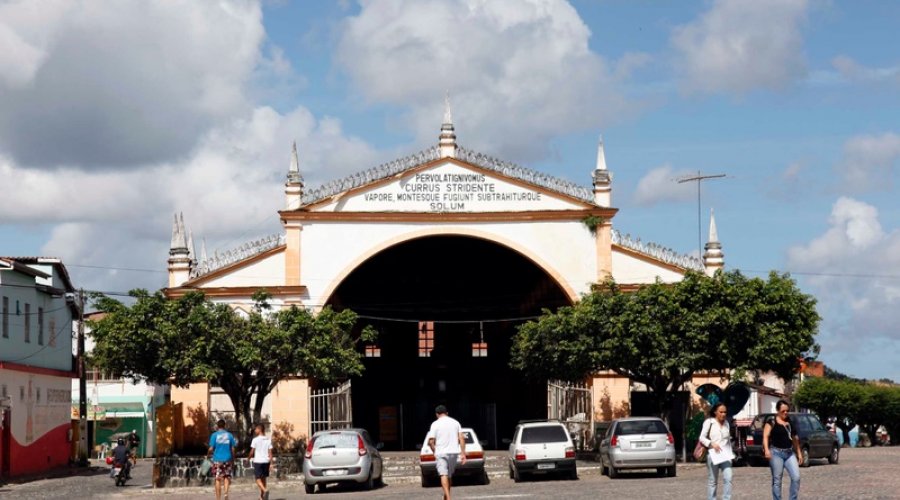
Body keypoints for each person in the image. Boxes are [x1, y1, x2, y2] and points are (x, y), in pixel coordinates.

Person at [763, 400, 802, 500]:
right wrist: (766, 450)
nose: (785, 413)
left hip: (789, 453)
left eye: (787, 411)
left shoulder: (789, 422)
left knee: (796, 477)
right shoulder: (771, 421)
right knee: (777, 480)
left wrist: (799, 453)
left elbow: (795, 438)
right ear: (777, 410)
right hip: (776, 453)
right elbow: (765, 436)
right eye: (783, 411)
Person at [428, 405, 466, 500]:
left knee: (443, 474)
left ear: (437, 414)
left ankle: (448, 498)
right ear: (447, 413)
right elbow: (461, 438)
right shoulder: (456, 423)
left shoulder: (435, 424)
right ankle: (445, 497)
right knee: (449, 476)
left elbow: (431, 441)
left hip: (441, 452)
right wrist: (463, 453)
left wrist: (434, 451)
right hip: (453, 452)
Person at [699, 402, 733, 500]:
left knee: (728, 478)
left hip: (725, 455)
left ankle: (726, 498)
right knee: (713, 480)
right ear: (715, 412)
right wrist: (711, 443)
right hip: (713, 455)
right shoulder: (709, 422)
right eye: (721, 412)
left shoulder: (727, 423)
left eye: (725, 412)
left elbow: (728, 440)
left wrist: (731, 454)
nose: (723, 414)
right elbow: (701, 437)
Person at [207, 419, 237, 500]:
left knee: (218, 479)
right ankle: (226, 493)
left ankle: (218, 498)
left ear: (217, 426)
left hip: (217, 460)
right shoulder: (230, 435)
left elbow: (211, 448)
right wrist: (233, 459)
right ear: (225, 426)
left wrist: (207, 455)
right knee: (226, 477)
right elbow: (233, 449)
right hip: (228, 459)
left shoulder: (214, 435)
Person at [249, 423, 273, 500]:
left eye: (256, 429)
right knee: (263, 479)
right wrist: (271, 463)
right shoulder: (268, 439)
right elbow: (270, 453)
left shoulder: (255, 440)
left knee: (257, 479)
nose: (255, 430)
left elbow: (252, 451)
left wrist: (248, 458)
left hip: (258, 461)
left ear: (259, 430)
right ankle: (262, 497)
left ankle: (265, 490)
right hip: (266, 461)